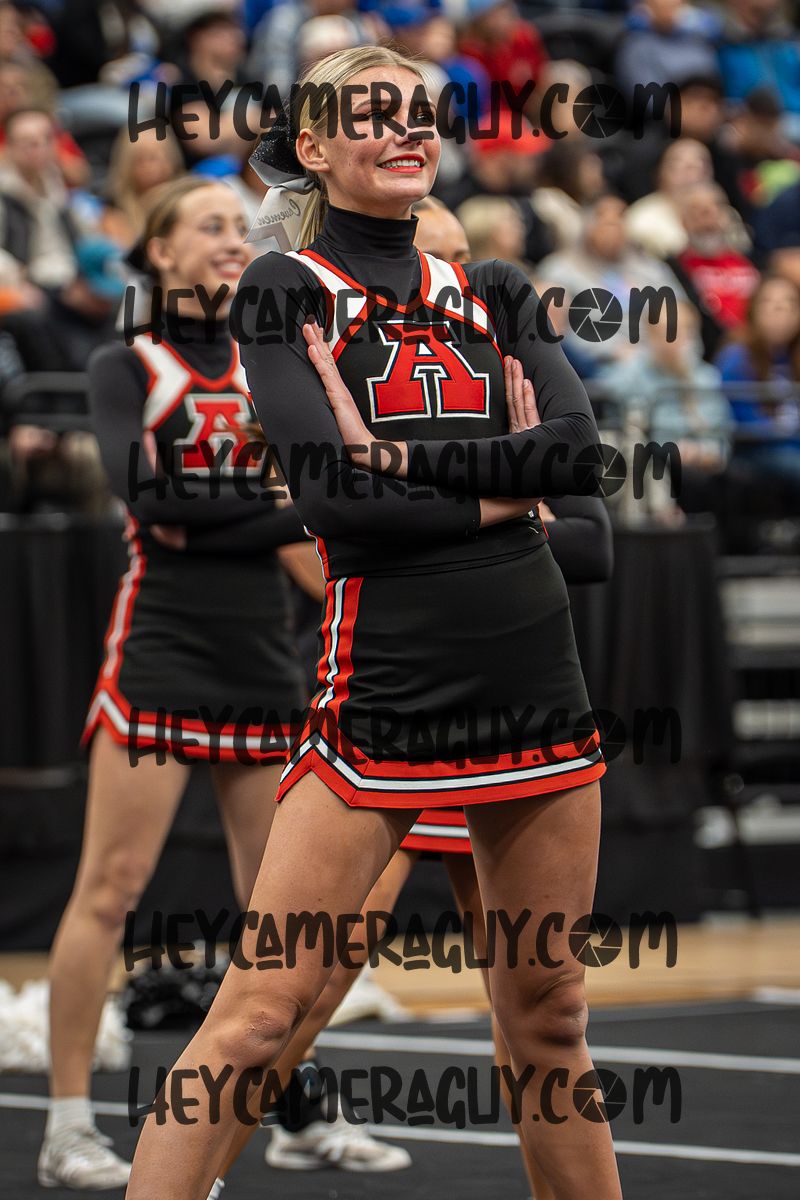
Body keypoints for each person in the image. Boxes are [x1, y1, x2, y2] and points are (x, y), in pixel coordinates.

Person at [125, 45, 622, 1200]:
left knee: (549, 1019)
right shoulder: (281, 289)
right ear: (312, 147)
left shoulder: (492, 287)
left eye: (419, 116)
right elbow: (336, 502)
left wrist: (402, 469)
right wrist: (505, 483)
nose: (406, 132)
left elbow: (580, 449)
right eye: (372, 116)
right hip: (385, 693)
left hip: (534, 682)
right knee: (258, 1015)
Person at [37, 175, 406, 1191]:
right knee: (110, 890)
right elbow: (148, 498)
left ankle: (294, 1111)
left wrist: (267, 519)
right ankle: (68, 1123)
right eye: (205, 227)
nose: (229, 242)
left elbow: (303, 517)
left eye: (236, 229)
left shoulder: (264, 366)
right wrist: (276, 503)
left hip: (259, 655)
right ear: (157, 253)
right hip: (160, 647)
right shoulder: (127, 362)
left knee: (278, 917)